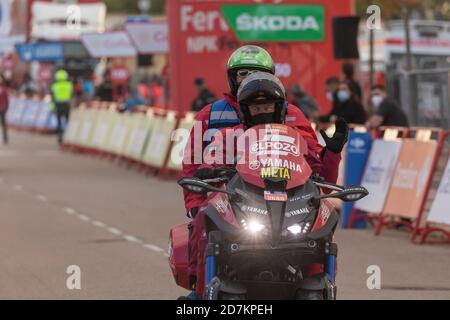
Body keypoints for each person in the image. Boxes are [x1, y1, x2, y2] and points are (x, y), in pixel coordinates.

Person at [182, 71, 349, 299]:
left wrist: (333, 152)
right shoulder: (227, 136)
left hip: (292, 205)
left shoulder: (296, 138)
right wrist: (208, 169)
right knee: (204, 214)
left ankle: (321, 279)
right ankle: (200, 292)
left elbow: (325, 181)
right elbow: (211, 160)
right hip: (242, 202)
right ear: (244, 110)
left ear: (279, 108)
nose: (263, 112)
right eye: (256, 108)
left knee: (325, 214)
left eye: (268, 106)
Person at [51, 69, 73, 144]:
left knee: (59, 121)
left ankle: (60, 136)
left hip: (58, 105)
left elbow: (52, 97)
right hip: (66, 104)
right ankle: (69, 135)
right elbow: (72, 95)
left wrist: (52, 107)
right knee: (67, 121)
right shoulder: (69, 85)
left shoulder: (55, 86)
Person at [0, 76, 9, 144]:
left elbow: (7, 100)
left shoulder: (4, 89)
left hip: (2, 108)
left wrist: (6, 108)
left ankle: (5, 138)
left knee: (3, 123)